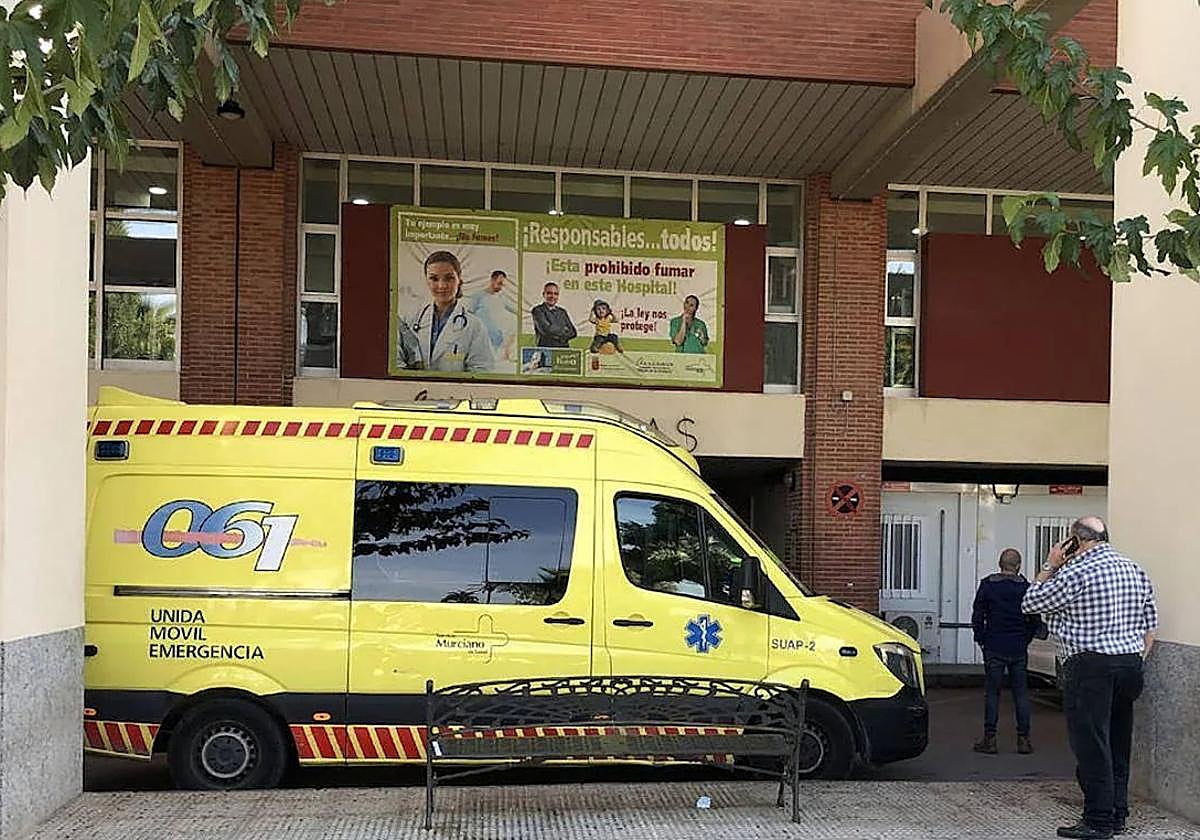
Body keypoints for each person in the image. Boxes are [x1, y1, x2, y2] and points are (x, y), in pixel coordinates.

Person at [1021, 516, 1157, 840]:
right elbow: (1150, 623)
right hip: (1128, 665)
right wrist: (1134, 659)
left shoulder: (1075, 571)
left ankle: (1098, 820)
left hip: (1090, 666)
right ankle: (1118, 813)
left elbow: (1030, 602)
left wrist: (1050, 564)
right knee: (1118, 741)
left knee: (1092, 746)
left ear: (1075, 541)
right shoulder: (1134, 569)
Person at [971, 548, 1045, 755]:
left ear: (999, 564)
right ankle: (1023, 739)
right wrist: (1025, 639)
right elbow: (1035, 620)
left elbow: (977, 616)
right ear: (1019, 565)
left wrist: (982, 639)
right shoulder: (1026, 588)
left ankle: (990, 738)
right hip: (1017, 647)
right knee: (1021, 694)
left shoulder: (988, 585)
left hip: (994, 645)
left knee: (992, 694)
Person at [407, 250, 494, 373]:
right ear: (426, 281)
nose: (442, 285)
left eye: (449, 278)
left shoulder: (474, 327)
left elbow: (482, 371)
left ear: (459, 280)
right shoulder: (412, 320)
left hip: (456, 392)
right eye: (434, 278)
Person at [466, 270, 517, 359]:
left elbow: (516, 310)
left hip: (497, 339)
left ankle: (506, 353)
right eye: (499, 283)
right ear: (492, 280)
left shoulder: (502, 297)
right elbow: (469, 314)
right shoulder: (479, 296)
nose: (501, 287)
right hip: (481, 338)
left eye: (503, 284)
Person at [531, 282, 576, 348]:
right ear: (544, 294)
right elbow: (546, 330)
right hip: (546, 350)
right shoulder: (538, 310)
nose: (552, 296)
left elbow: (573, 332)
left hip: (563, 350)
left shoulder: (562, 312)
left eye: (555, 294)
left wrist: (553, 328)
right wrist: (563, 330)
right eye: (549, 293)